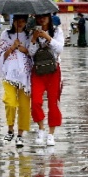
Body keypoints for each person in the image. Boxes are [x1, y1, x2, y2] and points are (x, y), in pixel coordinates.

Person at [28, 13, 64, 146]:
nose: (41, 19)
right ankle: (41, 128)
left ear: (49, 18)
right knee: (36, 101)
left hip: (53, 71)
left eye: (44, 17)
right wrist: (34, 39)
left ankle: (51, 134)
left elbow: (60, 49)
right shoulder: (32, 32)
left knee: (53, 102)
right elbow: (31, 53)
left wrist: (48, 38)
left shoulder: (57, 31)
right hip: (37, 71)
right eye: (38, 17)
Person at [0, 15, 33, 148]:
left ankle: (20, 135)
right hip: (9, 74)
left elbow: (33, 53)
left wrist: (25, 50)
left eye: (23, 21)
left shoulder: (29, 35)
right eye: (18, 21)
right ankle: (10, 129)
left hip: (25, 76)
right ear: (13, 21)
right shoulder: (5, 34)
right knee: (10, 102)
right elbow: (0, 55)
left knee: (24, 106)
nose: (20, 23)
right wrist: (12, 47)